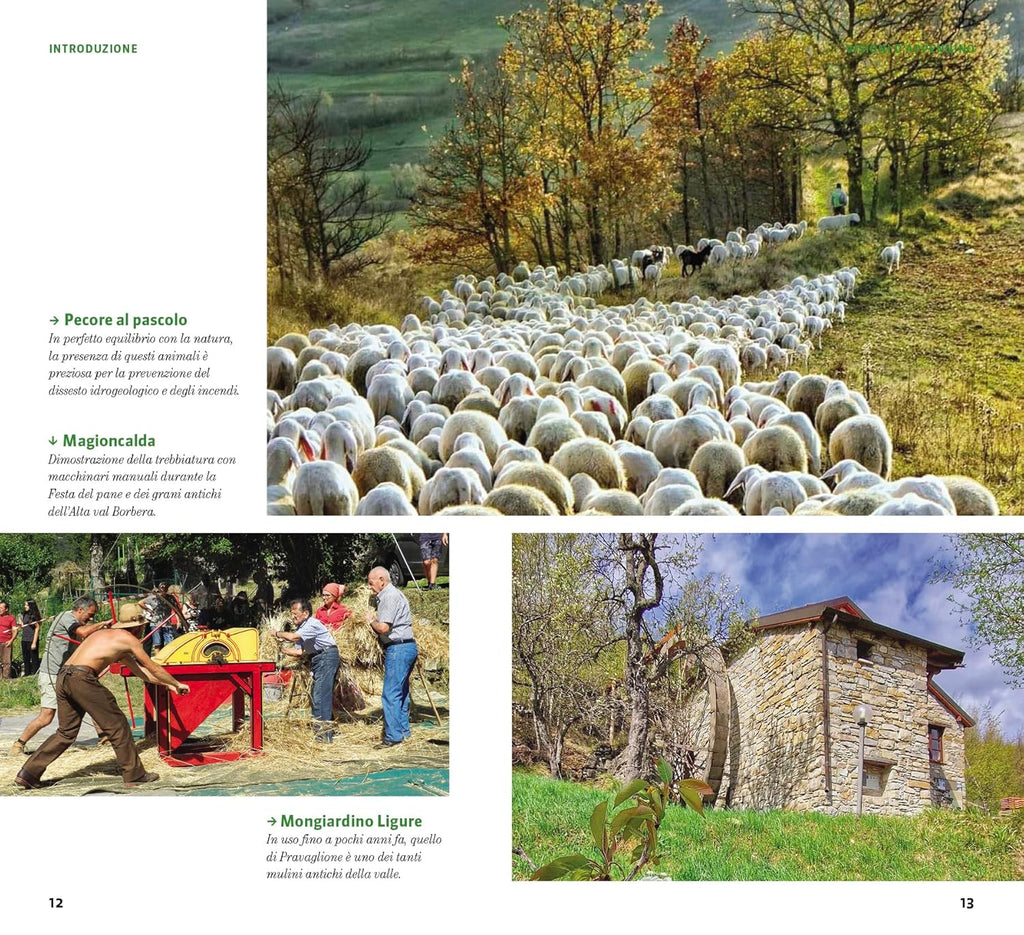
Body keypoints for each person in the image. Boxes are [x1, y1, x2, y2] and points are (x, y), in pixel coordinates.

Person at [14, 603, 190, 789]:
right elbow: (152, 667)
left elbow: (141, 672)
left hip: (64, 676)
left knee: (66, 732)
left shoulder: (105, 635)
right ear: (137, 627)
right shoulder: (128, 640)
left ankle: (28, 773)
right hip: (82, 679)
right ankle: (135, 774)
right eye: (142, 627)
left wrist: (168, 685)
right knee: (118, 725)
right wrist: (177, 683)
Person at [10, 596, 110, 757]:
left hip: (68, 673)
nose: (91, 618)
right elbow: (83, 632)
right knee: (47, 716)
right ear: (80, 610)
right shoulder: (66, 618)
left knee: (89, 701)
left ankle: (104, 738)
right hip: (51, 672)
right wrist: (102, 624)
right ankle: (19, 744)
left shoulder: (79, 622)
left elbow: (89, 635)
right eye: (90, 615)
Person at [272, 599, 340, 743]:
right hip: (317, 659)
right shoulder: (302, 628)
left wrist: (276, 633)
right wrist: (281, 649)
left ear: (306, 613)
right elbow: (299, 652)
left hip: (326, 656)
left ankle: (323, 737)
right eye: (291, 613)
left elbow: (292, 637)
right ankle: (323, 734)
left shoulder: (311, 624)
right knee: (317, 696)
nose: (293, 616)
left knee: (320, 697)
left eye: (295, 613)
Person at [366, 567, 418, 747]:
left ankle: (393, 737)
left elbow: (383, 628)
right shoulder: (396, 593)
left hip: (398, 649)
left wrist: (371, 620)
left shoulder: (388, 596)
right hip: (407, 646)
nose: (369, 587)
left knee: (390, 694)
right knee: (401, 693)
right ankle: (403, 731)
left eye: (371, 583)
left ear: (382, 580)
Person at [149, 581, 183, 652]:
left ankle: (168, 656)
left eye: (164, 587)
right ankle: (158, 657)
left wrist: (178, 621)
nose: (163, 589)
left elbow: (176, 609)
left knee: (170, 642)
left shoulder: (170, 598)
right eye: (161, 587)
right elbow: (141, 603)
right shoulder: (154, 598)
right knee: (158, 644)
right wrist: (150, 611)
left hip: (167, 623)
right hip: (156, 624)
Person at [20, 600, 42, 677]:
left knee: (34, 658)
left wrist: (34, 642)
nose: (25, 606)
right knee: (26, 658)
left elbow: (37, 629)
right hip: (24, 639)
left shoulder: (34, 616)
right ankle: (27, 673)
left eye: (26, 605)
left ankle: (35, 674)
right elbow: (23, 625)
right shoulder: (25, 614)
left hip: (31, 639)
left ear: (31, 606)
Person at [0, 601, 15, 679]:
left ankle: (6, 678)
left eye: (1, 608)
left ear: (6, 609)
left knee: (6, 661)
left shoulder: (11, 618)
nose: (0, 609)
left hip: (6, 642)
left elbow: (15, 630)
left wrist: (11, 640)